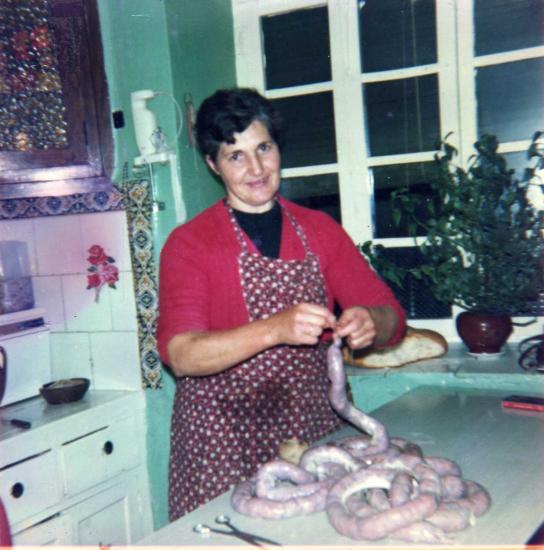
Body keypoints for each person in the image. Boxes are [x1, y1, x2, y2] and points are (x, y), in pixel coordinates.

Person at [157, 87, 406, 521]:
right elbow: (182, 354)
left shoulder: (319, 229)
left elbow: (392, 318)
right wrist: (275, 329)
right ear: (213, 164)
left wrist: (371, 320)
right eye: (235, 156)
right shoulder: (190, 243)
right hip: (221, 440)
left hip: (310, 431)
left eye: (264, 148)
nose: (256, 169)